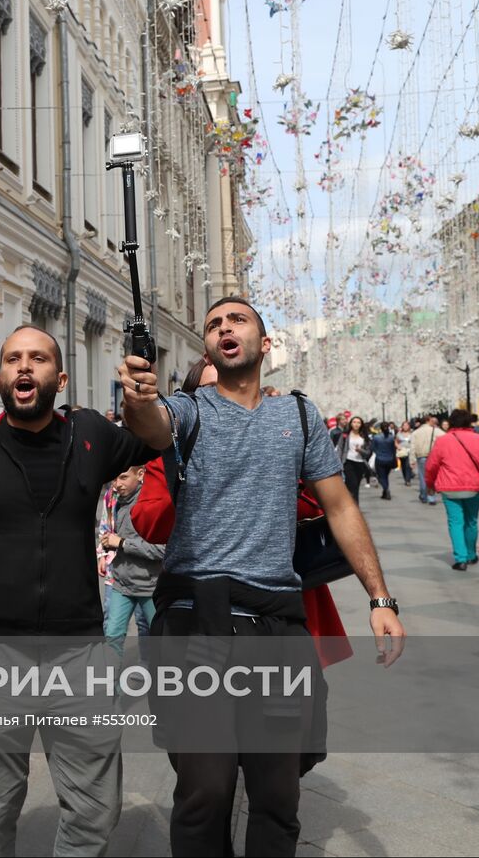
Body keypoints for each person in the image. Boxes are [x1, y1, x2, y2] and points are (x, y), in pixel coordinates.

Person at [119, 296, 404, 858]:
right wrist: (137, 396)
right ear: (207, 348)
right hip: (196, 621)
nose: (225, 328)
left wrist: (380, 597)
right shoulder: (189, 410)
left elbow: (341, 507)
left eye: (237, 320)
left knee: (278, 795)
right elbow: (152, 428)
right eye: (214, 325)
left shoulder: (297, 415)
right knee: (206, 790)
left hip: (276, 623)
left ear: (264, 343)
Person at [0, 324, 156, 855]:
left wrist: (143, 395)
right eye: (13, 359)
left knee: (95, 811)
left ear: (61, 376)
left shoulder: (92, 435)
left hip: (79, 654)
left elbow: (156, 438)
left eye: (38, 358)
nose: (24, 367)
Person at [422, 408, 479, 571]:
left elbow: (431, 466)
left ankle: (460, 558)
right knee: (471, 522)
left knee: (455, 522)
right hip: (474, 487)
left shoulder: (443, 441)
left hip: (450, 488)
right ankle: (471, 555)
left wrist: (429, 484)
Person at [101, 464, 164, 657]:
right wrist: (103, 551)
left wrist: (121, 543)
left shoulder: (153, 503)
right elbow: (106, 529)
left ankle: (159, 681)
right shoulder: (113, 500)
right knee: (112, 636)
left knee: (158, 640)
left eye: (123, 478)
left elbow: (160, 550)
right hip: (121, 584)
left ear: (140, 474)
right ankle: (111, 686)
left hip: (150, 587)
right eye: (114, 479)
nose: (116, 484)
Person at [335, 416, 373, 502]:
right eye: (354, 422)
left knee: (356, 487)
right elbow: (340, 448)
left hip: (360, 463)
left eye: (358, 422)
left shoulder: (364, 436)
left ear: (361, 424)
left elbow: (368, 452)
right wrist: (339, 463)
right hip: (348, 462)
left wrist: (360, 450)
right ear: (351, 423)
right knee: (352, 485)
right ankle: (355, 507)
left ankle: (351, 506)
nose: (356, 424)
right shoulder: (345, 435)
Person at [411, 415, 442, 504]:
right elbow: (446, 438)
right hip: (434, 456)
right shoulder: (436, 430)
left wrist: (412, 460)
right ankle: (431, 497)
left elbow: (412, 446)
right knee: (433, 477)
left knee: (423, 477)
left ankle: (424, 496)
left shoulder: (416, 432)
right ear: (428, 420)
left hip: (421, 456)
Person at [370, 422, 398, 501]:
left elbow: (372, 448)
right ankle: (384, 492)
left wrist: (378, 452)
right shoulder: (391, 437)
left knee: (381, 477)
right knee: (385, 476)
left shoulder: (376, 437)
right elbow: (394, 449)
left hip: (380, 459)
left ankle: (386, 489)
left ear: (380, 428)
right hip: (390, 459)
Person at [395, 420, 415, 486]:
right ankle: (405, 478)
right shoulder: (399, 434)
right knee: (403, 466)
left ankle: (408, 480)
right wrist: (398, 447)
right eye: (404, 425)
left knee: (408, 465)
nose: (405, 427)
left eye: (407, 425)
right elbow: (396, 442)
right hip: (402, 452)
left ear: (409, 426)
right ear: (402, 426)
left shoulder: (412, 433)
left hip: (410, 451)